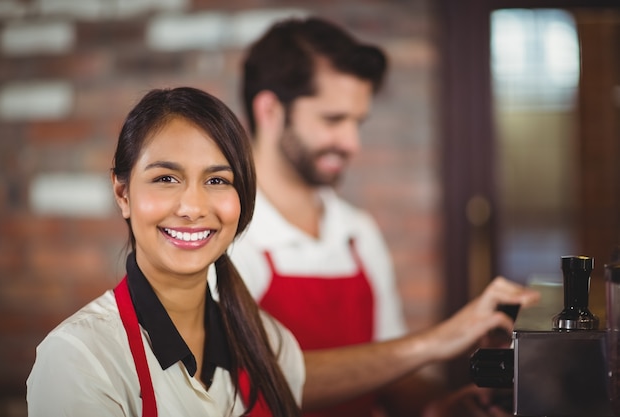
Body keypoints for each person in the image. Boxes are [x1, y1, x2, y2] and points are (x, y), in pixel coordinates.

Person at [228, 16, 539, 417]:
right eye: (333, 120)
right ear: (270, 111)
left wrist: (439, 406)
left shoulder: (357, 231)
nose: (352, 143)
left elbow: (393, 375)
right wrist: (439, 339)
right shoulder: (226, 232)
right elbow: (257, 381)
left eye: (358, 122)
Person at [26, 87, 304, 417]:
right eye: (166, 178)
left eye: (217, 181)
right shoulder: (79, 359)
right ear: (123, 193)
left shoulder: (274, 346)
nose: (193, 208)